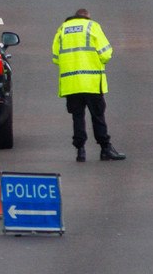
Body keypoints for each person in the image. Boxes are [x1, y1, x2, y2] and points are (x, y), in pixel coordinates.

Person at [52, 9, 124, 161]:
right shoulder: (92, 26)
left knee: (77, 117)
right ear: (86, 17)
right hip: (91, 82)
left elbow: (56, 57)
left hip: (71, 83)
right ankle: (105, 148)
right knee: (98, 115)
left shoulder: (62, 29)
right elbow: (106, 53)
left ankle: (80, 151)